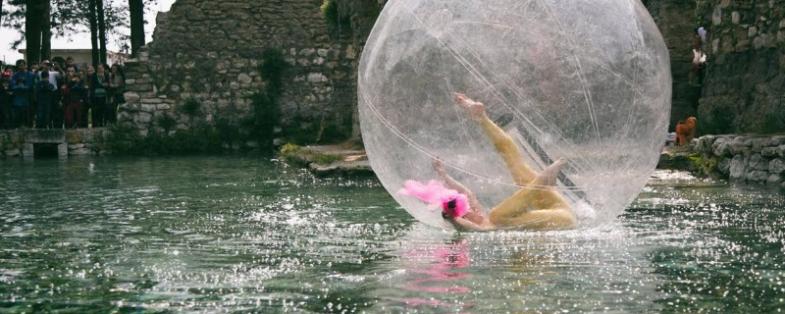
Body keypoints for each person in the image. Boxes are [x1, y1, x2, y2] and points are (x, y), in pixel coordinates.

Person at [401, 93, 577, 232]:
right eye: (465, 214)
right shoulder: (484, 228)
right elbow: (463, 225)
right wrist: (452, 217)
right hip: (561, 222)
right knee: (496, 216)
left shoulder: (479, 214)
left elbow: (467, 193)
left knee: (518, 168)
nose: (469, 211)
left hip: (559, 209)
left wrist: (443, 175)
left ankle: (482, 118)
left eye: (467, 209)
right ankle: (544, 178)